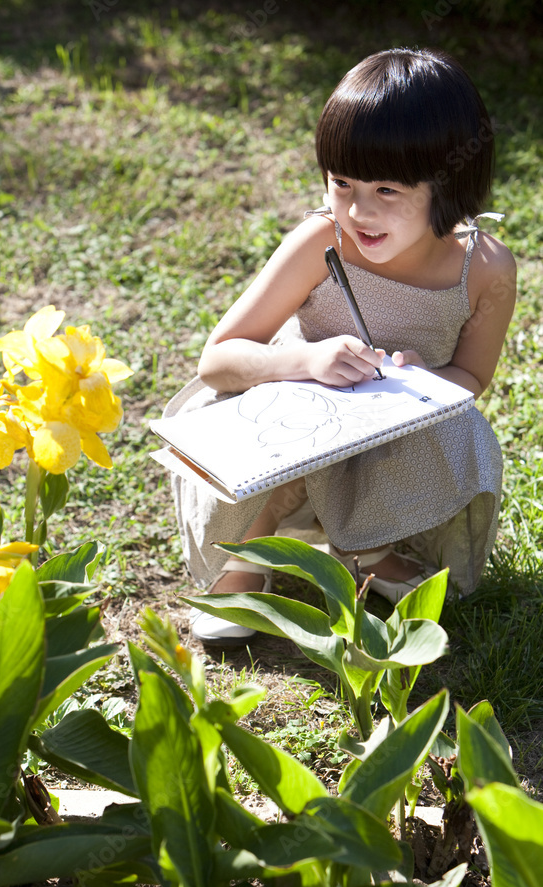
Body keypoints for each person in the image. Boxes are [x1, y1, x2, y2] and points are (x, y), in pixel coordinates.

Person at [162, 46, 516, 645]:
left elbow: (471, 377)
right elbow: (218, 360)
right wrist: (303, 361)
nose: (358, 210)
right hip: (293, 409)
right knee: (273, 430)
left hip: (392, 432)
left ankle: (372, 549)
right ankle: (249, 552)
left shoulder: (482, 269)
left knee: (451, 431)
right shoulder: (319, 243)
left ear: (450, 182)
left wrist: (414, 387)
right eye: (341, 182)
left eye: (387, 190)